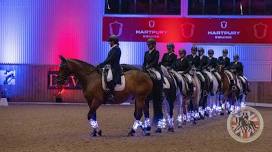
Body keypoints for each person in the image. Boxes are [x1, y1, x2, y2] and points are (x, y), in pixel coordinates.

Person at [142, 38, 164, 132]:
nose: (149, 45)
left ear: (154, 45)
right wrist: (144, 68)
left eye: (150, 44)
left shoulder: (156, 52)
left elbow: (155, 62)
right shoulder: (146, 53)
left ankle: (159, 91)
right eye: (148, 44)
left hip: (154, 69)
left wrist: (149, 66)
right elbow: (144, 62)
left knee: (158, 77)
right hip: (146, 69)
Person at [97, 35, 122, 101]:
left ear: (113, 42)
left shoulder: (116, 49)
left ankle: (112, 94)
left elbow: (110, 59)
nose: (109, 43)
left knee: (109, 78)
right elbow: (108, 59)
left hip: (115, 68)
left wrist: (101, 64)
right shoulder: (113, 49)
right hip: (110, 67)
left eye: (110, 42)